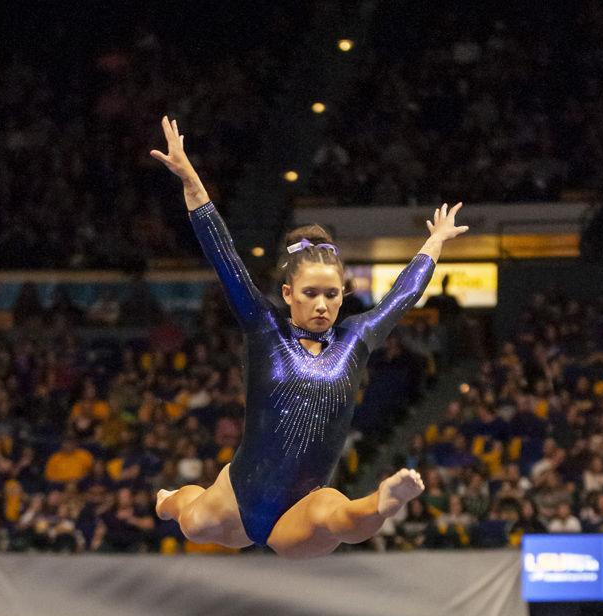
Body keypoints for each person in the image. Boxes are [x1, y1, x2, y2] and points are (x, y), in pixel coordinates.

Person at [151, 116, 468, 558]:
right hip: (239, 499)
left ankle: (384, 501)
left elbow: (403, 297)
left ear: (343, 297)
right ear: (288, 294)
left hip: (300, 507)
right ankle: (168, 499)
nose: (322, 304)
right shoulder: (265, 329)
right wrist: (191, 181)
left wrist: (434, 242)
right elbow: (225, 259)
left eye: (332, 294)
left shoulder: (356, 339)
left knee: (334, 517)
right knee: (194, 519)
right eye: (310, 294)